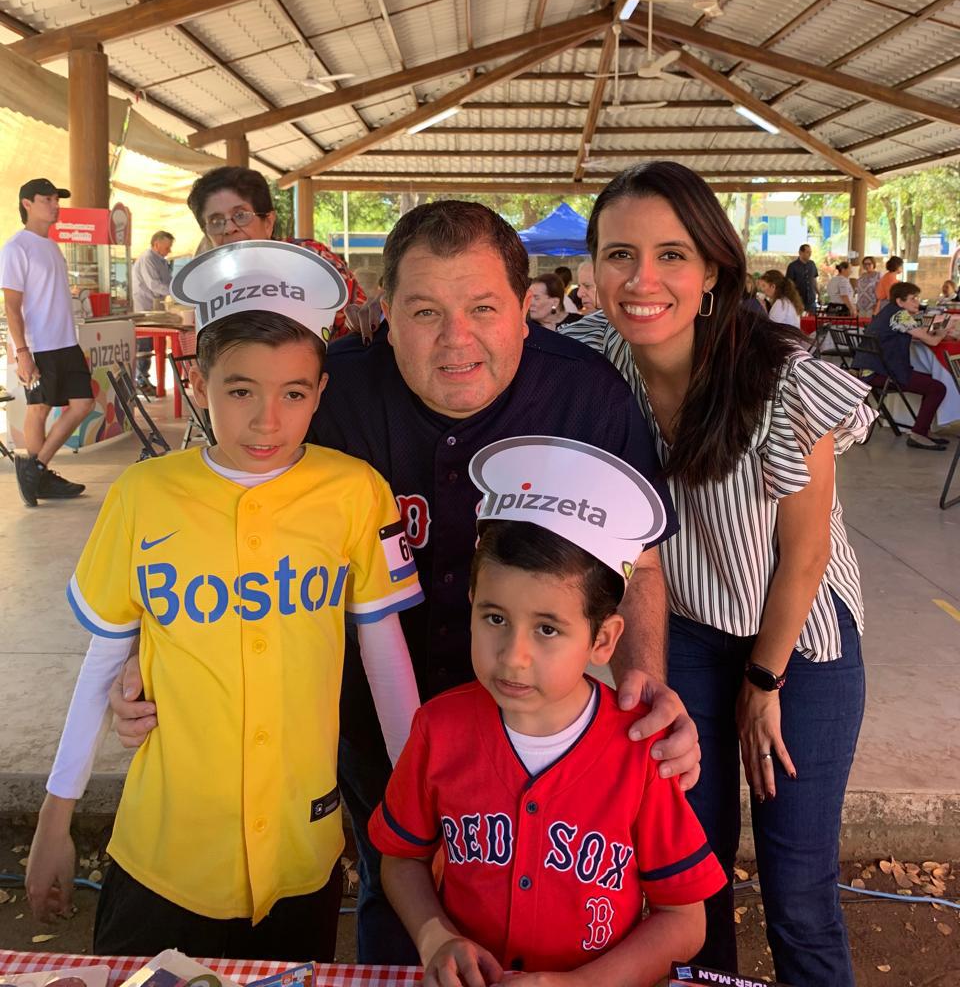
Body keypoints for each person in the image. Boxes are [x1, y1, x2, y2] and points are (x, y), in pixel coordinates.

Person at [110, 200, 700, 966]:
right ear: (385, 315)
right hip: (363, 718)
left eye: (483, 308)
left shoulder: (583, 397)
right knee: (399, 907)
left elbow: (639, 561)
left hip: (539, 719)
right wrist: (144, 659)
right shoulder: (330, 396)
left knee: (552, 916)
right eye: (424, 311)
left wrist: (642, 685)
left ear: (526, 310)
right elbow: (226, 517)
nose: (456, 339)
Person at [25, 241, 423, 960]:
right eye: (241, 390)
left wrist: (419, 815)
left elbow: (386, 659)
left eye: (294, 394)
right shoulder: (144, 495)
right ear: (200, 383)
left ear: (320, 394)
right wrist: (58, 818)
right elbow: (103, 656)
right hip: (164, 855)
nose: (267, 421)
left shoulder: (355, 491)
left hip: (302, 858)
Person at [563, 161, 873, 987]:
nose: (642, 279)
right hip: (688, 633)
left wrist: (762, 683)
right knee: (686, 880)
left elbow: (805, 556)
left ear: (712, 272)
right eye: (618, 254)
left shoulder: (783, 380)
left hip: (797, 640)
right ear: (590, 268)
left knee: (797, 891)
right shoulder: (588, 361)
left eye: (671, 254)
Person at [371, 438, 725, 987]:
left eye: (547, 629)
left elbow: (684, 919)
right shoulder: (438, 729)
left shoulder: (641, 751)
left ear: (604, 640)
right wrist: (434, 935)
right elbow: (402, 858)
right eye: (494, 618)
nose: (513, 655)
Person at [186, 165, 366, 338]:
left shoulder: (312, 260)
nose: (228, 228)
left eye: (241, 215)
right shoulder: (212, 288)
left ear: (268, 223)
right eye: (216, 221)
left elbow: (359, 332)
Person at [0, 179, 94, 506]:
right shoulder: (16, 247)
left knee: (84, 404)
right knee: (38, 408)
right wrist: (22, 352)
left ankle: (36, 471)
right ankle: (39, 476)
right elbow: (11, 305)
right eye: (47, 199)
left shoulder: (52, 246)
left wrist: (74, 341)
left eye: (57, 199)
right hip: (38, 345)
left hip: (65, 342)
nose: (55, 205)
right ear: (27, 203)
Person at [852, 281, 950, 451]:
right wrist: (942, 332)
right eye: (912, 298)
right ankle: (918, 433)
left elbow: (910, 334)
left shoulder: (887, 312)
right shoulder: (900, 315)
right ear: (899, 301)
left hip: (870, 371)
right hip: (883, 374)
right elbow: (933, 342)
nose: (916, 302)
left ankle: (922, 430)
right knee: (937, 387)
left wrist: (927, 334)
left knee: (931, 383)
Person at [131, 230, 175, 394]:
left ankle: (145, 379)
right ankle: (141, 380)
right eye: (167, 247)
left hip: (156, 307)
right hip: (145, 308)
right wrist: (173, 293)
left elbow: (168, 282)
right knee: (145, 345)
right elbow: (154, 284)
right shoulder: (148, 258)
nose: (169, 251)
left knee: (152, 345)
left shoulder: (161, 261)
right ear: (157, 245)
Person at [785, 243, 818, 312]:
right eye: (807, 252)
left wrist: (818, 293)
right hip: (798, 300)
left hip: (811, 301)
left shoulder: (812, 264)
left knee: (811, 321)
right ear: (800, 252)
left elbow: (814, 279)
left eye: (810, 252)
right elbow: (789, 284)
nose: (809, 254)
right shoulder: (792, 266)